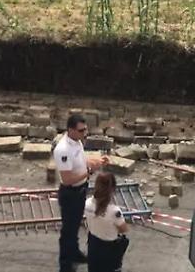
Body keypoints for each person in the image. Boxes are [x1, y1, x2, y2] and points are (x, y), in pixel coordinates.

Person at [53, 113, 108, 272]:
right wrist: (90, 171)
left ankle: (74, 253)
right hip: (71, 193)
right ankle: (65, 265)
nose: (85, 133)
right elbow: (67, 179)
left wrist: (96, 162)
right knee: (68, 231)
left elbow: (81, 160)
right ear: (70, 130)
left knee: (75, 226)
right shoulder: (63, 150)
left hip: (80, 190)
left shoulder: (77, 141)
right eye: (81, 130)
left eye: (85, 129)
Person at [83, 171, 130, 272]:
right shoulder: (114, 211)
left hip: (93, 244)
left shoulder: (87, 203)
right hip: (109, 249)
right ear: (112, 189)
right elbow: (124, 229)